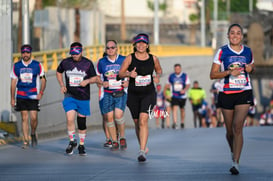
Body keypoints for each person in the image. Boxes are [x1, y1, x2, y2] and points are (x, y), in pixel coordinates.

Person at [210, 23, 255, 175]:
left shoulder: (248, 51)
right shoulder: (222, 51)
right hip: (226, 93)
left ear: (242, 36)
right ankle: (233, 152)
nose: (235, 35)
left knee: (238, 127)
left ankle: (236, 162)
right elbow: (213, 74)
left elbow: (252, 67)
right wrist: (228, 72)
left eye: (238, 33)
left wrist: (250, 69)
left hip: (244, 92)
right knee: (229, 132)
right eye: (232, 33)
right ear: (228, 35)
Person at [118, 33, 162, 162]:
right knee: (137, 122)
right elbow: (120, 73)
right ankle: (142, 145)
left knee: (143, 120)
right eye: (138, 43)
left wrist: (157, 76)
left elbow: (159, 70)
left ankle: (142, 151)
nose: (141, 45)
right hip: (133, 94)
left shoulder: (153, 59)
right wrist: (129, 74)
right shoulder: (129, 58)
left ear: (147, 45)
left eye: (143, 43)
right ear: (135, 45)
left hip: (148, 93)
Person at [56, 42, 102, 156]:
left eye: (76, 54)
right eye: (72, 54)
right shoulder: (66, 62)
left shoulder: (87, 63)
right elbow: (58, 72)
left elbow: (96, 78)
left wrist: (87, 81)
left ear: (81, 52)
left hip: (83, 96)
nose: (74, 56)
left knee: (81, 122)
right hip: (70, 95)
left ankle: (81, 144)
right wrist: (62, 85)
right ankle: (72, 141)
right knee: (70, 118)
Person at [10, 44, 47, 149]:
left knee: (34, 118)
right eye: (23, 53)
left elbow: (43, 79)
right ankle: (25, 140)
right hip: (21, 95)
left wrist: (41, 93)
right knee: (24, 117)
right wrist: (12, 98)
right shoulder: (16, 66)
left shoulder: (37, 65)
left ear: (31, 53)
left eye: (27, 52)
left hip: (33, 95)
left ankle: (33, 132)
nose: (25, 54)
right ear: (21, 54)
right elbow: (13, 82)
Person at [97, 40, 128, 150]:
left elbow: (132, 73)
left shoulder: (123, 59)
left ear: (117, 48)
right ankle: (114, 141)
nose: (110, 50)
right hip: (107, 93)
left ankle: (122, 137)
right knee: (109, 118)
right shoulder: (101, 62)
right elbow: (98, 78)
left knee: (118, 116)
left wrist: (128, 81)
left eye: (112, 47)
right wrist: (101, 83)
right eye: (108, 48)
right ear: (105, 50)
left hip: (120, 91)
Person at [165, 63, 190, 129]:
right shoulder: (171, 76)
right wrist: (166, 93)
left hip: (182, 96)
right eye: (176, 69)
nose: (177, 70)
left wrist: (184, 90)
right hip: (174, 95)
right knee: (175, 108)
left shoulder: (184, 76)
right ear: (174, 69)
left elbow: (188, 85)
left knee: (182, 109)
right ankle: (175, 123)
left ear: (180, 69)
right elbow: (167, 84)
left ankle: (182, 122)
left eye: (178, 68)